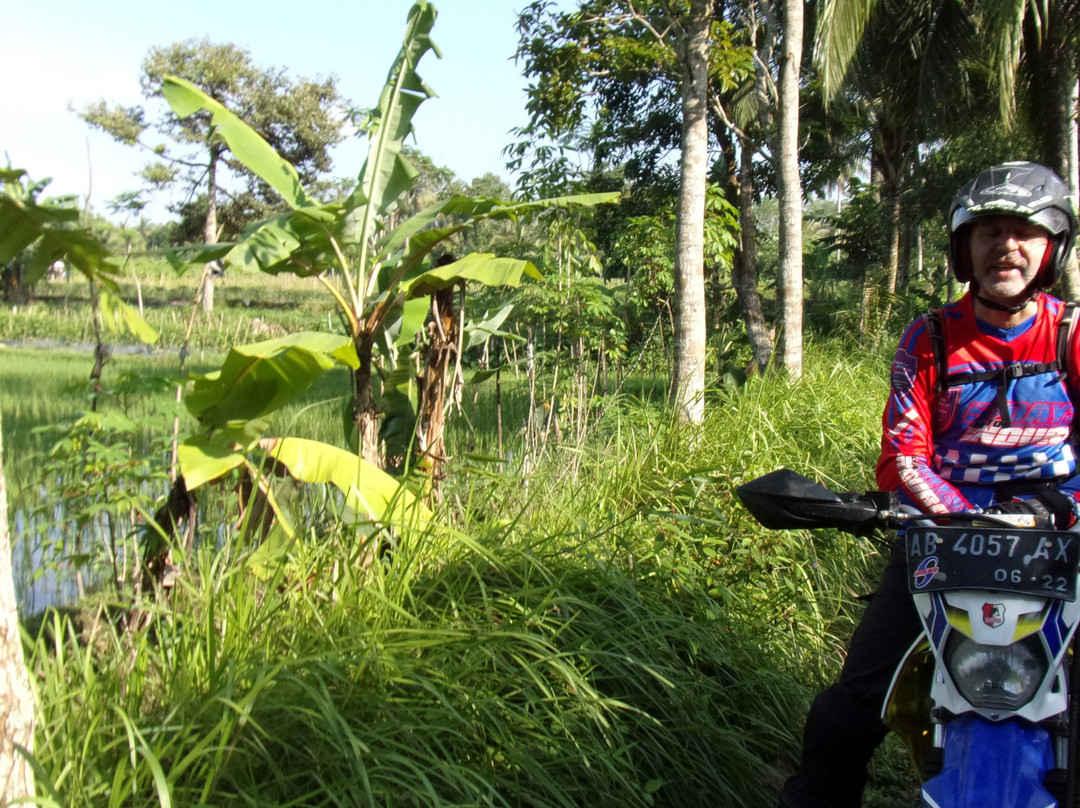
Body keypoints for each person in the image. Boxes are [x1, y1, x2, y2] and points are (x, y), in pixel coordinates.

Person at [780, 160, 1080, 808]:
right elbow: (904, 454)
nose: (1006, 246)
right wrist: (960, 517)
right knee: (852, 706)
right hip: (945, 541)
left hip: (1062, 539)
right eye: (988, 231)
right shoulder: (932, 338)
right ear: (962, 248)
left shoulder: (1072, 333)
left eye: (1024, 231)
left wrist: (1055, 506)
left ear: (1052, 244)